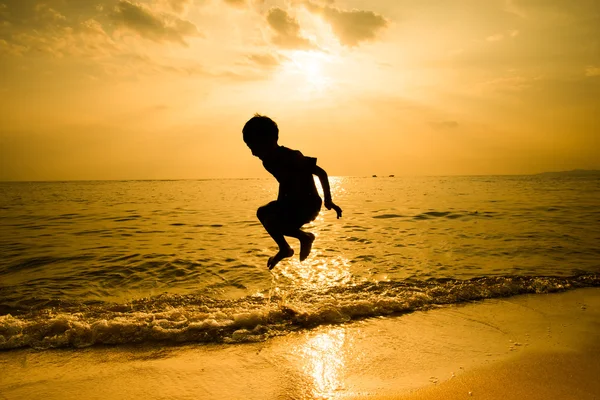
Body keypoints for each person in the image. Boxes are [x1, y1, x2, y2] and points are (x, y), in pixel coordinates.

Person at [243, 114, 343, 270]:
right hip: (290, 203)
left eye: (254, 147)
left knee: (275, 222)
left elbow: (321, 173)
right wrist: (279, 205)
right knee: (263, 213)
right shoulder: (267, 161)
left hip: (308, 204)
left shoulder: (290, 156)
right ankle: (285, 249)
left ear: (268, 141)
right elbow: (285, 183)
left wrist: (328, 200)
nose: (253, 153)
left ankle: (305, 237)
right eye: (250, 147)